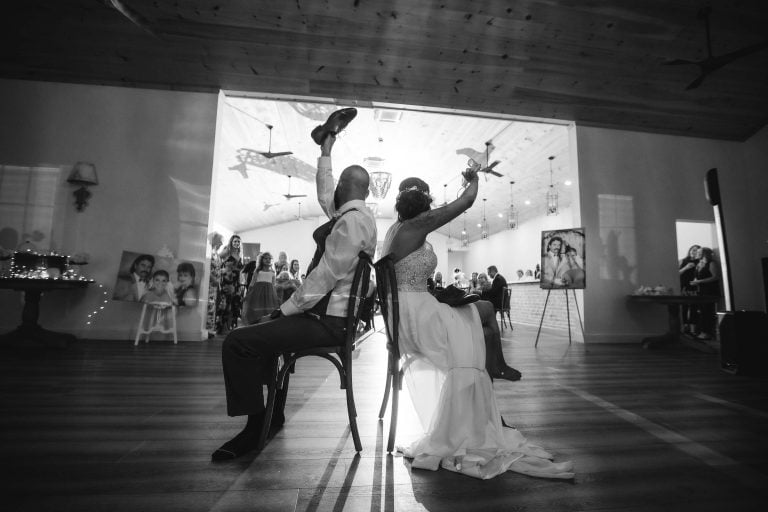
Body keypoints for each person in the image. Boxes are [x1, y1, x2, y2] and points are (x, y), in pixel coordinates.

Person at [381, 171, 572, 480]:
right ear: (423, 207)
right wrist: (472, 177)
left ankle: (493, 369)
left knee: (478, 315)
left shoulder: (397, 230)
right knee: (482, 311)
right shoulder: (418, 225)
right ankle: (493, 371)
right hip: (415, 315)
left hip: (406, 311)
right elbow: (467, 200)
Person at [212, 126, 377, 461]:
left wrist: (285, 309)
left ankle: (256, 426)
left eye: (337, 189)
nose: (329, 197)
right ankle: (273, 416)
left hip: (328, 322)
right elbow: (325, 194)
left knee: (238, 341)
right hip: (326, 317)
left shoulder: (352, 223)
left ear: (344, 191)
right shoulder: (353, 216)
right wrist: (325, 153)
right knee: (261, 330)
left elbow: (324, 277)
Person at [690, 247, 721, 340]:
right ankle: (701, 331)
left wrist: (700, 281)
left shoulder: (711, 263)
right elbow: (698, 277)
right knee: (702, 311)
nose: (697, 253)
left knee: (708, 311)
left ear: (704, 253)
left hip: (710, 291)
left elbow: (715, 277)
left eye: (699, 252)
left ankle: (707, 333)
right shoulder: (699, 264)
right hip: (701, 291)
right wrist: (695, 281)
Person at [241, 252, 278, 325]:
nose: (268, 260)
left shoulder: (273, 272)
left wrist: (275, 295)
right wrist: (249, 292)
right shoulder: (258, 271)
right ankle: (257, 322)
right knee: (258, 307)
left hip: (269, 293)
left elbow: (273, 285)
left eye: (269, 258)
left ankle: (266, 323)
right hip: (258, 292)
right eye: (265, 258)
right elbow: (252, 282)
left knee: (268, 308)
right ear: (261, 260)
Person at [679, 244, 701, 334]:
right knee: (683, 306)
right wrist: (686, 267)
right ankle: (684, 327)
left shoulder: (700, 261)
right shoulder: (683, 260)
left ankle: (693, 330)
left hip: (694, 286)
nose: (693, 251)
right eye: (692, 249)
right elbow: (677, 273)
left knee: (693, 307)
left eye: (696, 250)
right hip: (683, 286)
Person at [206, 233, 224, 336]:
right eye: (220, 240)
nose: (221, 243)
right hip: (209, 285)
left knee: (213, 306)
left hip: (215, 285)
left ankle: (211, 328)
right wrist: (213, 279)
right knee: (210, 305)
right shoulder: (209, 252)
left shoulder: (216, 253)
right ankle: (207, 329)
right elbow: (208, 268)